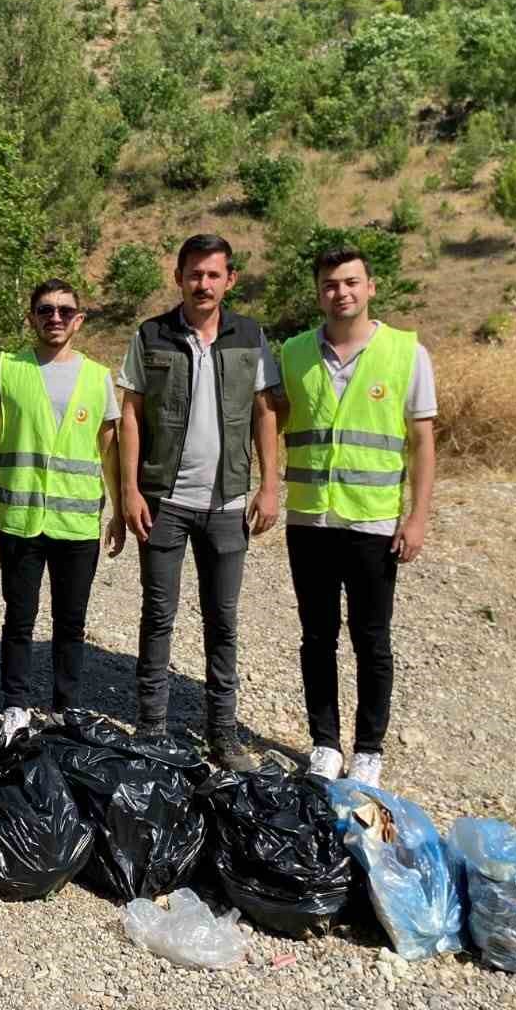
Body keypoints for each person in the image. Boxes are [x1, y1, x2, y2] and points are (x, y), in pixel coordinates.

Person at [118, 233, 283, 771]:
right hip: (163, 500)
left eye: (214, 274)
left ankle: (222, 733)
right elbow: (131, 413)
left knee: (223, 620)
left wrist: (269, 485)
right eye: (194, 274)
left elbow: (264, 411)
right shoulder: (152, 334)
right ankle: (152, 727)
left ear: (230, 279)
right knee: (158, 614)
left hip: (227, 503)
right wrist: (129, 491)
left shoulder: (249, 335)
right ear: (179, 278)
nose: (203, 284)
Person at [280, 245, 436, 790]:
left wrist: (417, 517)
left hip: (372, 523)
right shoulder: (294, 353)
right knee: (316, 637)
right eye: (329, 284)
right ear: (318, 292)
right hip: (310, 520)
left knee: (372, 641)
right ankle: (324, 743)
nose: (340, 292)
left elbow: (422, 440)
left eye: (350, 282)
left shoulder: (406, 352)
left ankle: (369, 749)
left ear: (370, 287)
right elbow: (269, 418)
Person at [0, 279, 125, 734]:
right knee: (19, 617)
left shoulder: (97, 377)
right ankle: (15, 705)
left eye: (64, 310)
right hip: (20, 519)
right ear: (31, 318)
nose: (54, 317)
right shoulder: (3, 371)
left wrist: (119, 509)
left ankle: (65, 706)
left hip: (77, 522)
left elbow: (109, 446)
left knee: (70, 621)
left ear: (78, 320)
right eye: (45, 309)